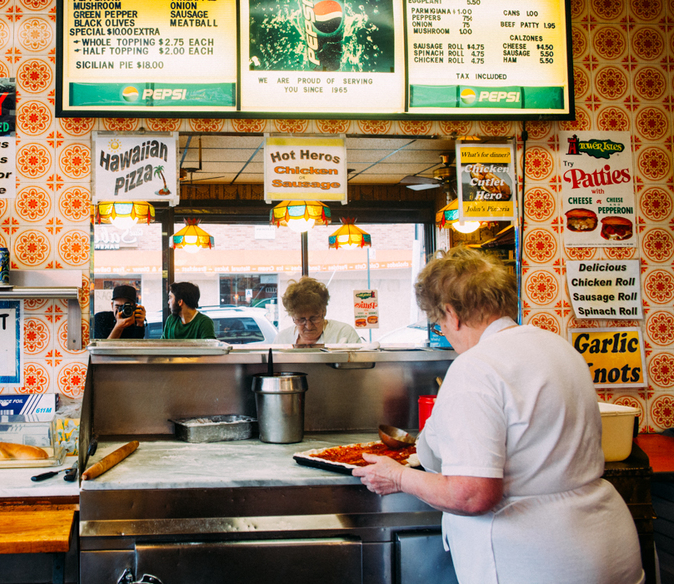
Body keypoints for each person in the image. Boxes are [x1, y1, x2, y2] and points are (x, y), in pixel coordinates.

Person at [353, 247, 644, 584]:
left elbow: (472, 493)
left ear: (452, 313)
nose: (443, 331)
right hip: (606, 544)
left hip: (535, 560)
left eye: (439, 322)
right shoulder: (558, 347)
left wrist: (398, 477)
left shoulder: (476, 367)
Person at [273, 276, 360, 347]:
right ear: (292, 317)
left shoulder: (344, 334)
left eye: (314, 318)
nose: (309, 326)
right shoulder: (282, 340)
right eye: (301, 320)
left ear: (324, 312)